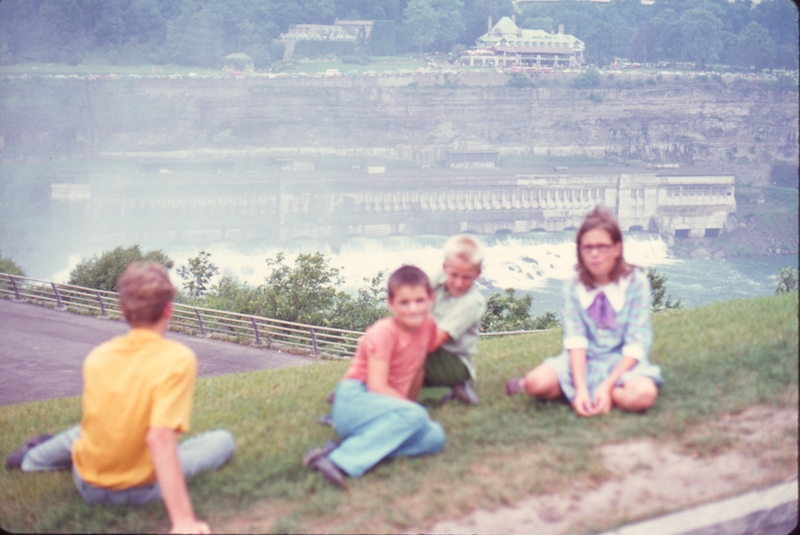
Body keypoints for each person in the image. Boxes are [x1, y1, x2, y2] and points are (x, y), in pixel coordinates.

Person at [5, 262, 235, 534]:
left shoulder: (98, 357)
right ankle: (39, 456)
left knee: (86, 431)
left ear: (124, 311)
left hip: (87, 484)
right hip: (140, 490)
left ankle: (32, 460)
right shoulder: (177, 359)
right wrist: (183, 521)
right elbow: (159, 438)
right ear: (168, 309)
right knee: (222, 441)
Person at [506, 207, 663, 417]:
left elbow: (637, 342)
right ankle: (582, 391)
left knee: (643, 395)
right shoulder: (573, 286)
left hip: (622, 362)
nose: (595, 254)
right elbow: (576, 340)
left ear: (617, 248)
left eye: (602, 247)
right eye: (587, 247)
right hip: (584, 360)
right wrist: (580, 388)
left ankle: (605, 392)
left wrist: (608, 385)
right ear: (579, 251)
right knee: (535, 384)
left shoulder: (636, 282)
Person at [303, 265, 445, 488]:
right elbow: (377, 387)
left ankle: (356, 447)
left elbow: (418, 371)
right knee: (416, 416)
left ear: (431, 299)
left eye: (420, 300)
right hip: (356, 400)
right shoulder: (383, 332)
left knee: (435, 436)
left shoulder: (429, 326)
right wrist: (413, 412)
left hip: (382, 410)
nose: (413, 309)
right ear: (391, 303)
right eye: (404, 303)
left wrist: (411, 407)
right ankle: (335, 461)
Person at [419, 234, 487, 405]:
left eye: (467, 278)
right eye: (454, 275)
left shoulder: (472, 303)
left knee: (399, 373)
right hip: (430, 352)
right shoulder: (438, 278)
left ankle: (447, 391)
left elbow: (434, 342)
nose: (458, 283)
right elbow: (412, 295)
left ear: (478, 274)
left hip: (451, 363)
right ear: (444, 268)